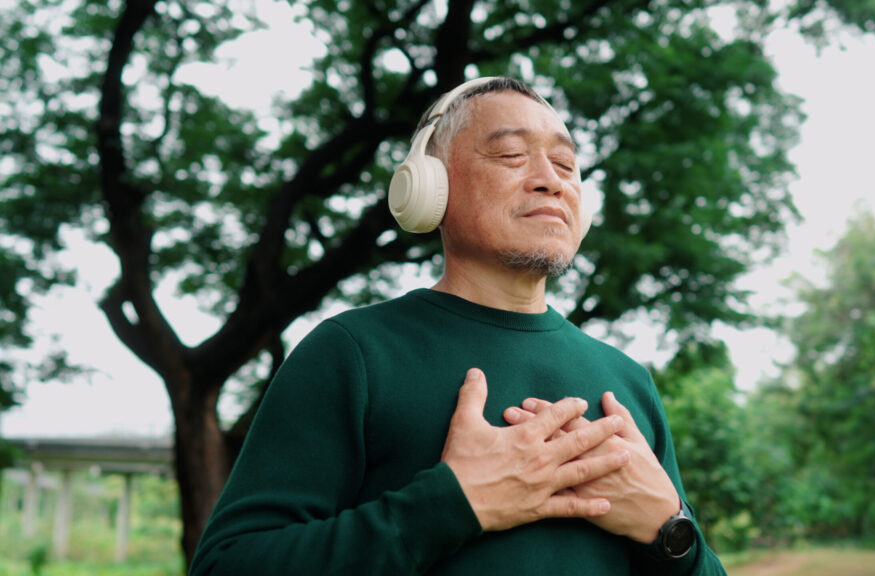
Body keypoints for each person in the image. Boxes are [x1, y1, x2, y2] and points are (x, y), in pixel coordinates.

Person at [190, 76, 727, 575]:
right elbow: (227, 564)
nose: (549, 181)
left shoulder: (627, 379)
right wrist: (452, 504)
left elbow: (688, 552)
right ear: (429, 189)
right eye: (512, 155)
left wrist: (670, 527)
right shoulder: (352, 353)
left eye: (565, 166)